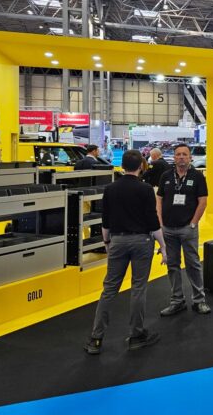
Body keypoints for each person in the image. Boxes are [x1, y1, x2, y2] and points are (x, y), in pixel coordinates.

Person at [84, 149, 167, 355]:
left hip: (117, 241)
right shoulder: (146, 189)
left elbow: (105, 221)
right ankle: (136, 335)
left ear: (122, 166)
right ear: (141, 166)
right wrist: (163, 246)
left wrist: (106, 242)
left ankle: (96, 338)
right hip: (141, 241)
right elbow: (153, 221)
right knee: (138, 288)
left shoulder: (110, 189)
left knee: (109, 289)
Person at [157, 143, 210, 316]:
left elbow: (203, 201)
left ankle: (199, 300)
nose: (181, 157)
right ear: (174, 157)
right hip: (168, 229)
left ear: (190, 157)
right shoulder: (166, 176)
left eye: (184, 154)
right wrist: (160, 223)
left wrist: (193, 223)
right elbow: (159, 199)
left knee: (193, 264)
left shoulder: (198, 176)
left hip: (188, 228)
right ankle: (177, 301)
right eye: (178, 154)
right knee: (172, 265)